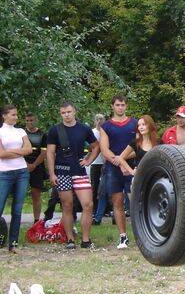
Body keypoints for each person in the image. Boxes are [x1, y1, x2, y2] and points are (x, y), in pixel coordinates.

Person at [46, 102, 99, 249]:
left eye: (69, 112)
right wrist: (52, 173)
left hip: (79, 172)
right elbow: (50, 153)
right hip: (62, 171)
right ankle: (70, 239)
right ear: (60, 114)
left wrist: (88, 160)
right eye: (63, 113)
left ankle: (86, 239)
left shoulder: (84, 129)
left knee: (88, 205)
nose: (66, 115)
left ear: (74, 111)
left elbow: (96, 147)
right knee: (67, 205)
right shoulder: (55, 131)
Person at [99, 94, 138, 249]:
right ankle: (123, 237)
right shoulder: (106, 126)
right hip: (113, 167)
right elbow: (104, 149)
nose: (120, 107)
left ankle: (141, 234)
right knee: (117, 201)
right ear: (112, 106)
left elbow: (139, 146)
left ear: (126, 106)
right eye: (117, 105)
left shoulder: (135, 124)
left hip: (131, 165)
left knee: (135, 200)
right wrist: (117, 161)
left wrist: (123, 160)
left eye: (122, 105)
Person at [0, 105, 32, 253]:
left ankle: (13, 243)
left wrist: (11, 151)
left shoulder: (21, 131)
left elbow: (29, 149)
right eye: (13, 115)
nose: (16, 117)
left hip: (21, 172)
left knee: (17, 210)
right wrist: (19, 152)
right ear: (4, 116)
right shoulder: (1, 132)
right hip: (4, 173)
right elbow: (1, 154)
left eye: (16, 115)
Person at [117, 115, 158, 199]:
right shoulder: (135, 143)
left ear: (150, 125)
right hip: (139, 178)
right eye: (139, 125)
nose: (141, 127)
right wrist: (131, 171)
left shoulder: (159, 142)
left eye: (143, 124)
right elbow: (121, 158)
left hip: (155, 178)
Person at [24, 113, 47, 221]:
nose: (30, 122)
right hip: (21, 166)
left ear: (36, 120)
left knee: (36, 195)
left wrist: (33, 165)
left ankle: (36, 220)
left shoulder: (42, 134)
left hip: (37, 167)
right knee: (18, 195)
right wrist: (25, 164)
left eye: (31, 120)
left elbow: (44, 153)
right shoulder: (21, 133)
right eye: (27, 120)